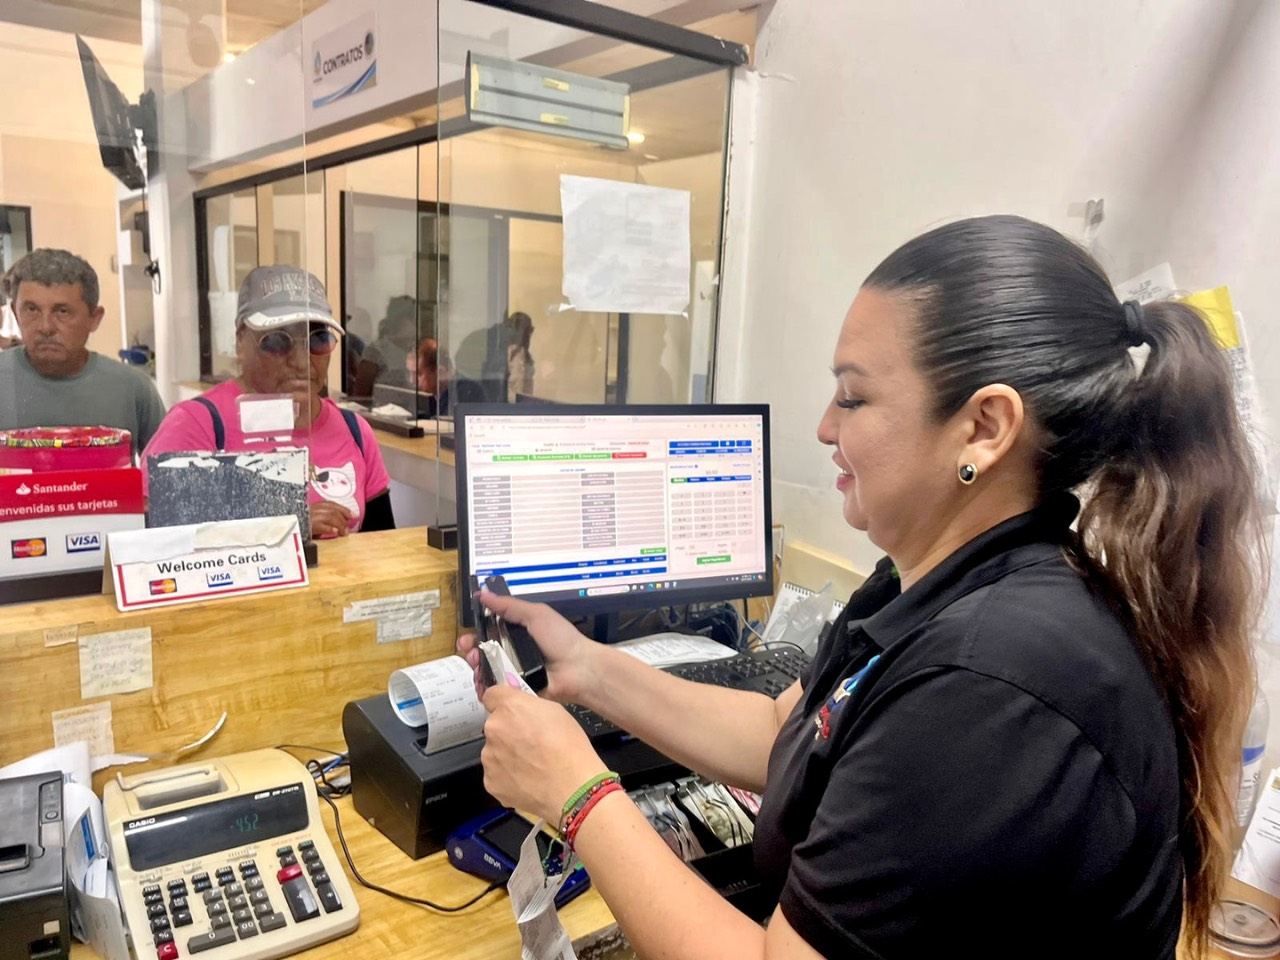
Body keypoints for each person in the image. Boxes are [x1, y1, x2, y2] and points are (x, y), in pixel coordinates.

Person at [459, 215, 1262, 959]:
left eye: (854, 395)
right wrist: (589, 670)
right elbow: (783, 733)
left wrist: (578, 795)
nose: (823, 426)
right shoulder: (931, 582)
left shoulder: (990, 684)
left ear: (985, 427)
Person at [142, 265, 394, 540]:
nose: (301, 362)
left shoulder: (354, 430)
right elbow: (151, 539)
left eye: (318, 340)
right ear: (241, 343)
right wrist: (286, 524)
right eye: (277, 341)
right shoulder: (196, 426)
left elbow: (384, 546)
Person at [0, 248, 166, 453]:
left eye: (62, 311)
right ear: (15, 313)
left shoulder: (133, 389)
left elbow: (167, 468)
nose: (45, 327)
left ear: (94, 318)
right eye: (31, 309)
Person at [351, 295, 418, 397]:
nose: (419, 326)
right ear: (401, 321)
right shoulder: (376, 352)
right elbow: (360, 396)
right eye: (414, 320)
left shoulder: (418, 351)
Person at [405, 337, 486, 417]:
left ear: (440, 372)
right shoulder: (430, 395)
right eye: (409, 373)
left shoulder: (466, 393)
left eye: (418, 374)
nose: (411, 380)